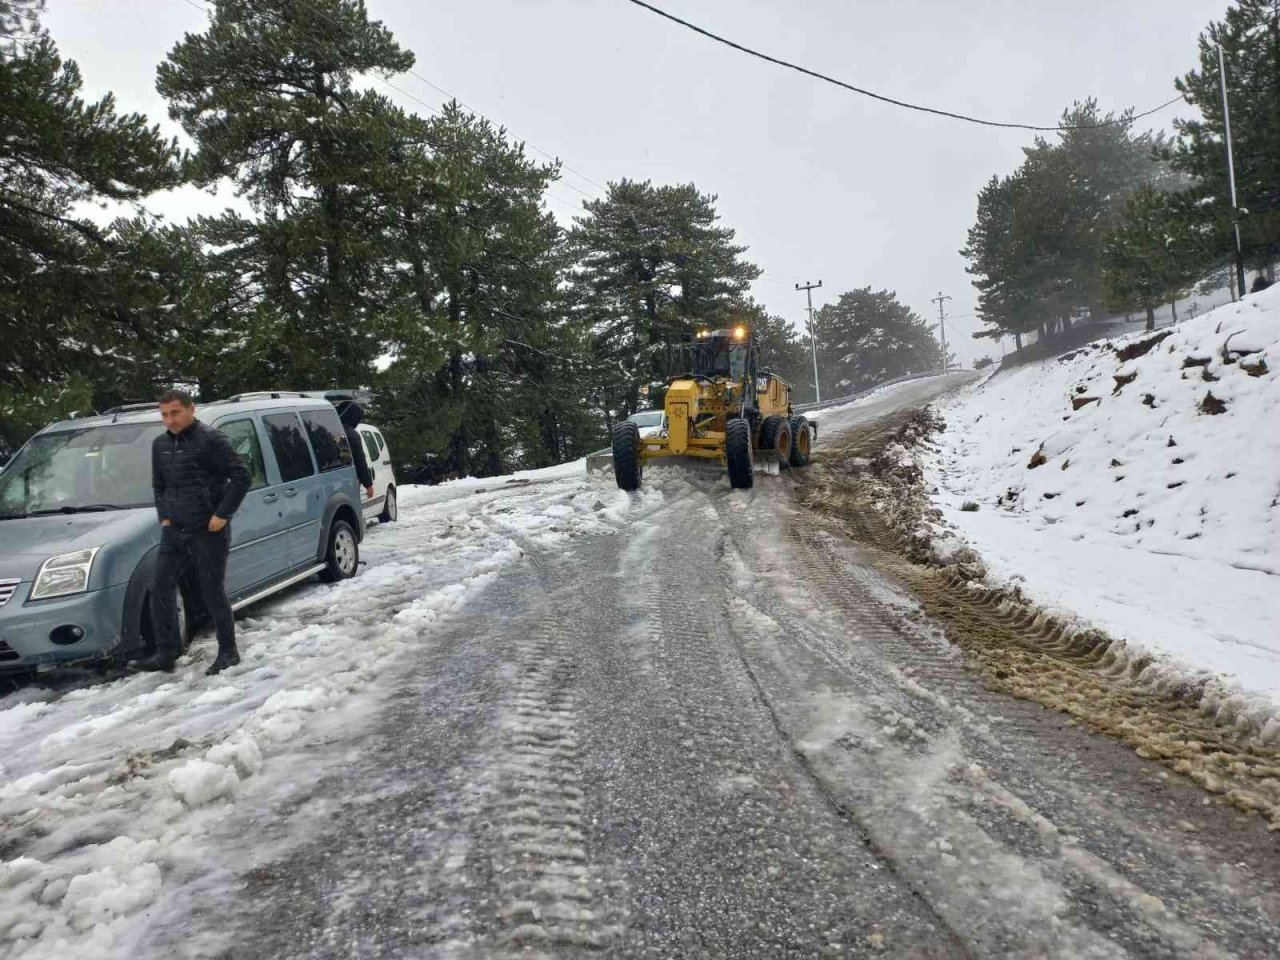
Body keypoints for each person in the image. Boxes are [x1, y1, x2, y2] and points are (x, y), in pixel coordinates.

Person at [129, 389, 250, 676]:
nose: (169, 419)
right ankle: (166, 652)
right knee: (160, 587)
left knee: (211, 590)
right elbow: (159, 486)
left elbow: (242, 476)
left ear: (190, 409)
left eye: (175, 413)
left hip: (208, 530)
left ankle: (228, 651)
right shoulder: (159, 445)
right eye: (164, 415)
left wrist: (222, 514)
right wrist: (165, 520)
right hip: (174, 530)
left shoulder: (211, 440)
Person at [336, 399, 375, 500]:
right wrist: (368, 485)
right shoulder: (351, 435)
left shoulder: (326, 430)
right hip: (346, 482)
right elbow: (360, 461)